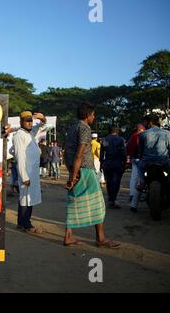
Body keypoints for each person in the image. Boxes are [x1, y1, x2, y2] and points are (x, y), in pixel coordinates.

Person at [64, 102, 120, 248]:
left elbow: (66, 151)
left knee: (73, 201)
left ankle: (69, 236)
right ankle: (100, 238)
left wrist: (71, 172)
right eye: (93, 114)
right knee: (98, 204)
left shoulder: (72, 127)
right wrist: (74, 174)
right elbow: (79, 153)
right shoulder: (84, 128)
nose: (94, 117)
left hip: (75, 169)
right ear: (87, 115)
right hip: (85, 170)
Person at [13, 111, 50, 234]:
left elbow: (43, 127)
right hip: (26, 173)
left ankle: (20, 223)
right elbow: (20, 157)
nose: (29, 123)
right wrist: (24, 176)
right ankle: (26, 224)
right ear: (21, 122)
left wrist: (43, 118)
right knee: (26, 199)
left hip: (32, 173)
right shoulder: (19, 135)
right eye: (26, 121)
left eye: (30, 121)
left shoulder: (29, 133)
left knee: (27, 198)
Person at [138, 114, 170, 185]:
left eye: (145, 122)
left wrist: (141, 156)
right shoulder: (167, 133)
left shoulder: (143, 134)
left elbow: (140, 150)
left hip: (147, 161)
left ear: (150, 122)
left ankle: (141, 182)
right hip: (163, 161)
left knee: (140, 166)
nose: (144, 124)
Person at [100, 125, 126, 209]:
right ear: (117, 131)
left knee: (109, 182)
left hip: (107, 163)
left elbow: (101, 153)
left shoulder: (104, 140)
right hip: (117, 163)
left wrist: (101, 163)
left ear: (109, 131)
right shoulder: (121, 140)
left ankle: (110, 199)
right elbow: (123, 153)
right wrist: (124, 163)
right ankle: (112, 200)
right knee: (116, 182)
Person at [126, 123, 146, 212]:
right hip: (141, 159)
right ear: (142, 129)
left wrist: (129, 157)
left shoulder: (132, 136)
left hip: (134, 158)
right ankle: (137, 197)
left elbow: (128, 148)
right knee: (141, 178)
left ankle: (132, 194)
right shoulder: (143, 135)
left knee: (134, 177)